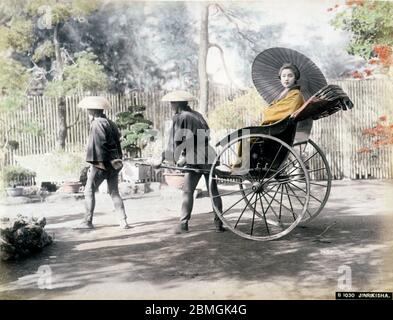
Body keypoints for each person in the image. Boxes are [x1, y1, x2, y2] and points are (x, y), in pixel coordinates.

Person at [155, 90, 225, 234]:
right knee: (213, 190)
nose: (171, 105)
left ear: (177, 104)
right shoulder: (197, 115)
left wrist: (162, 158)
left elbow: (173, 143)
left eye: (172, 103)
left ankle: (183, 224)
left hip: (194, 156)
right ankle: (219, 224)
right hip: (208, 153)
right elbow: (206, 134)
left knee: (187, 191)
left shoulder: (179, 117)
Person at [75, 96, 130, 230]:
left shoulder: (97, 123)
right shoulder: (111, 123)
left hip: (102, 163)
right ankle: (123, 221)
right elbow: (117, 143)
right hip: (114, 163)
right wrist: (116, 160)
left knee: (88, 190)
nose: (88, 112)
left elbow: (100, 145)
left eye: (89, 110)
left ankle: (87, 221)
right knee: (114, 191)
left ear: (93, 111)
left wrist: (96, 164)